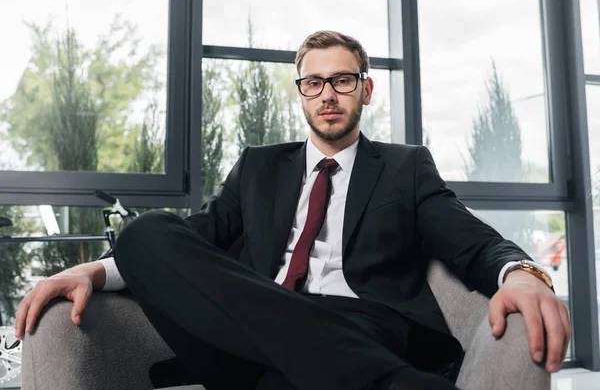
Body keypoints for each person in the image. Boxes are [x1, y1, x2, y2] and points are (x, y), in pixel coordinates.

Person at [15, 31, 570, 390]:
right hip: (243, 324)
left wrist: (522, 273)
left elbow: (468, 237)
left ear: (366, 90)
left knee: (280, 385)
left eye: (342, 80)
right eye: (313, 82)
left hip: (359, 322)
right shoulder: (258, 165)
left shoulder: (406, 167)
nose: (327, 93)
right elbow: (201, 234)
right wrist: (94, 268)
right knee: (144, 235)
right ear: (301, 92)